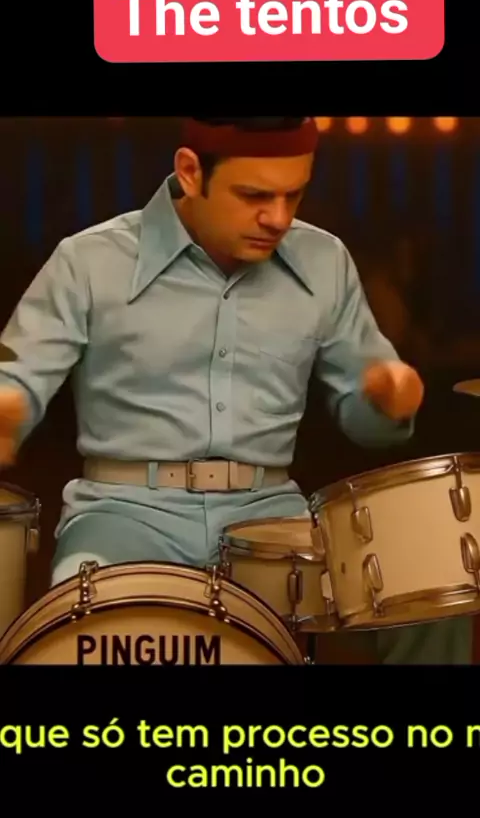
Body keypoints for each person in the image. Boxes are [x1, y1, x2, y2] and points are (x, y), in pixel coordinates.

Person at [0, 115, 461, 665]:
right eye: (254, 196)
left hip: (273, 519)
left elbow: (365, 419)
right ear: (190, 172)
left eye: (294, 195)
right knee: (98, 636)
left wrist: (387, 403)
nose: (278, 218)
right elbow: (18, 375)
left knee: (434, 598)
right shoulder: (88, 260)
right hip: (123, 515)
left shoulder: (325, 260)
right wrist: (10, 406)